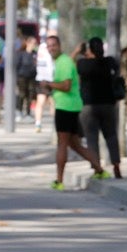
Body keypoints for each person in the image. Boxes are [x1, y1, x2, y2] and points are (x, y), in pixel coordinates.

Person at [46, 34, 106, 191]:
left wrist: (49, 84)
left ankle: (59, 180)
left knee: (62, 144)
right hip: (70, 106)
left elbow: (66, 85)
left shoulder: (64, 62)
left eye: (54, 45)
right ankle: (100, 170)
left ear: (59, 46)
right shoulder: (63, 61)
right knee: (76, 145)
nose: (51, 48)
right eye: (49, 46)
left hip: (65, 107)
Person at [77, 37, 124, 180]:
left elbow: (75, 69)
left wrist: (79, 52)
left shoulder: (83, 64)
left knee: (92, 138)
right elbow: (118, 71)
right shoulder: (110, 62)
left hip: (89, 105)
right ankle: (116, 165)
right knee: (111, 135)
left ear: (89, 50)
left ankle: (97, 169)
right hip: (108, 104)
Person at [34, 29, 54, 133]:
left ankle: (39, 123)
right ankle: (38, 123)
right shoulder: (45, 48)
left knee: (49, 102)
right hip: (46, 79)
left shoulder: (41, 47)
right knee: (45, 102)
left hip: (46, 78)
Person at [16, 34, 38, 122]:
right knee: (22, 94)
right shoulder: (21, 53)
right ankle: (19, 111)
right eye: (32, 43)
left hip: (32, 77)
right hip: (22, 77)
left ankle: (28, 113)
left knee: (30, 95)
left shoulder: (35, 54)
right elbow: (17, 65)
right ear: (28, 43)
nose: (34, 45)